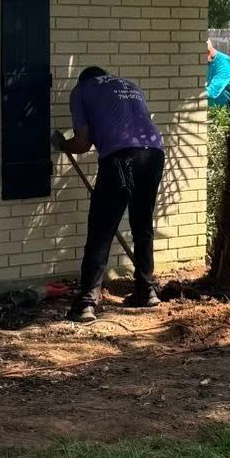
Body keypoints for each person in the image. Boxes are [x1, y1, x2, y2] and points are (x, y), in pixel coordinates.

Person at [56, 66, 166, 322]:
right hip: (154, 153)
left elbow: (82, 143)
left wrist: (61, 144)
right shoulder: (130, 84)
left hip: (120, 158)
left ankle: (85, 303)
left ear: (84, 79)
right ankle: (146, 291)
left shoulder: (81, 90)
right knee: (142, 224)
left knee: (101, 229)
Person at [205, 37, 230, 107]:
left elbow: (212, 92)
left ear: (208, 52)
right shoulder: (208, 62)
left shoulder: (224, 64)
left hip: (223, 111)